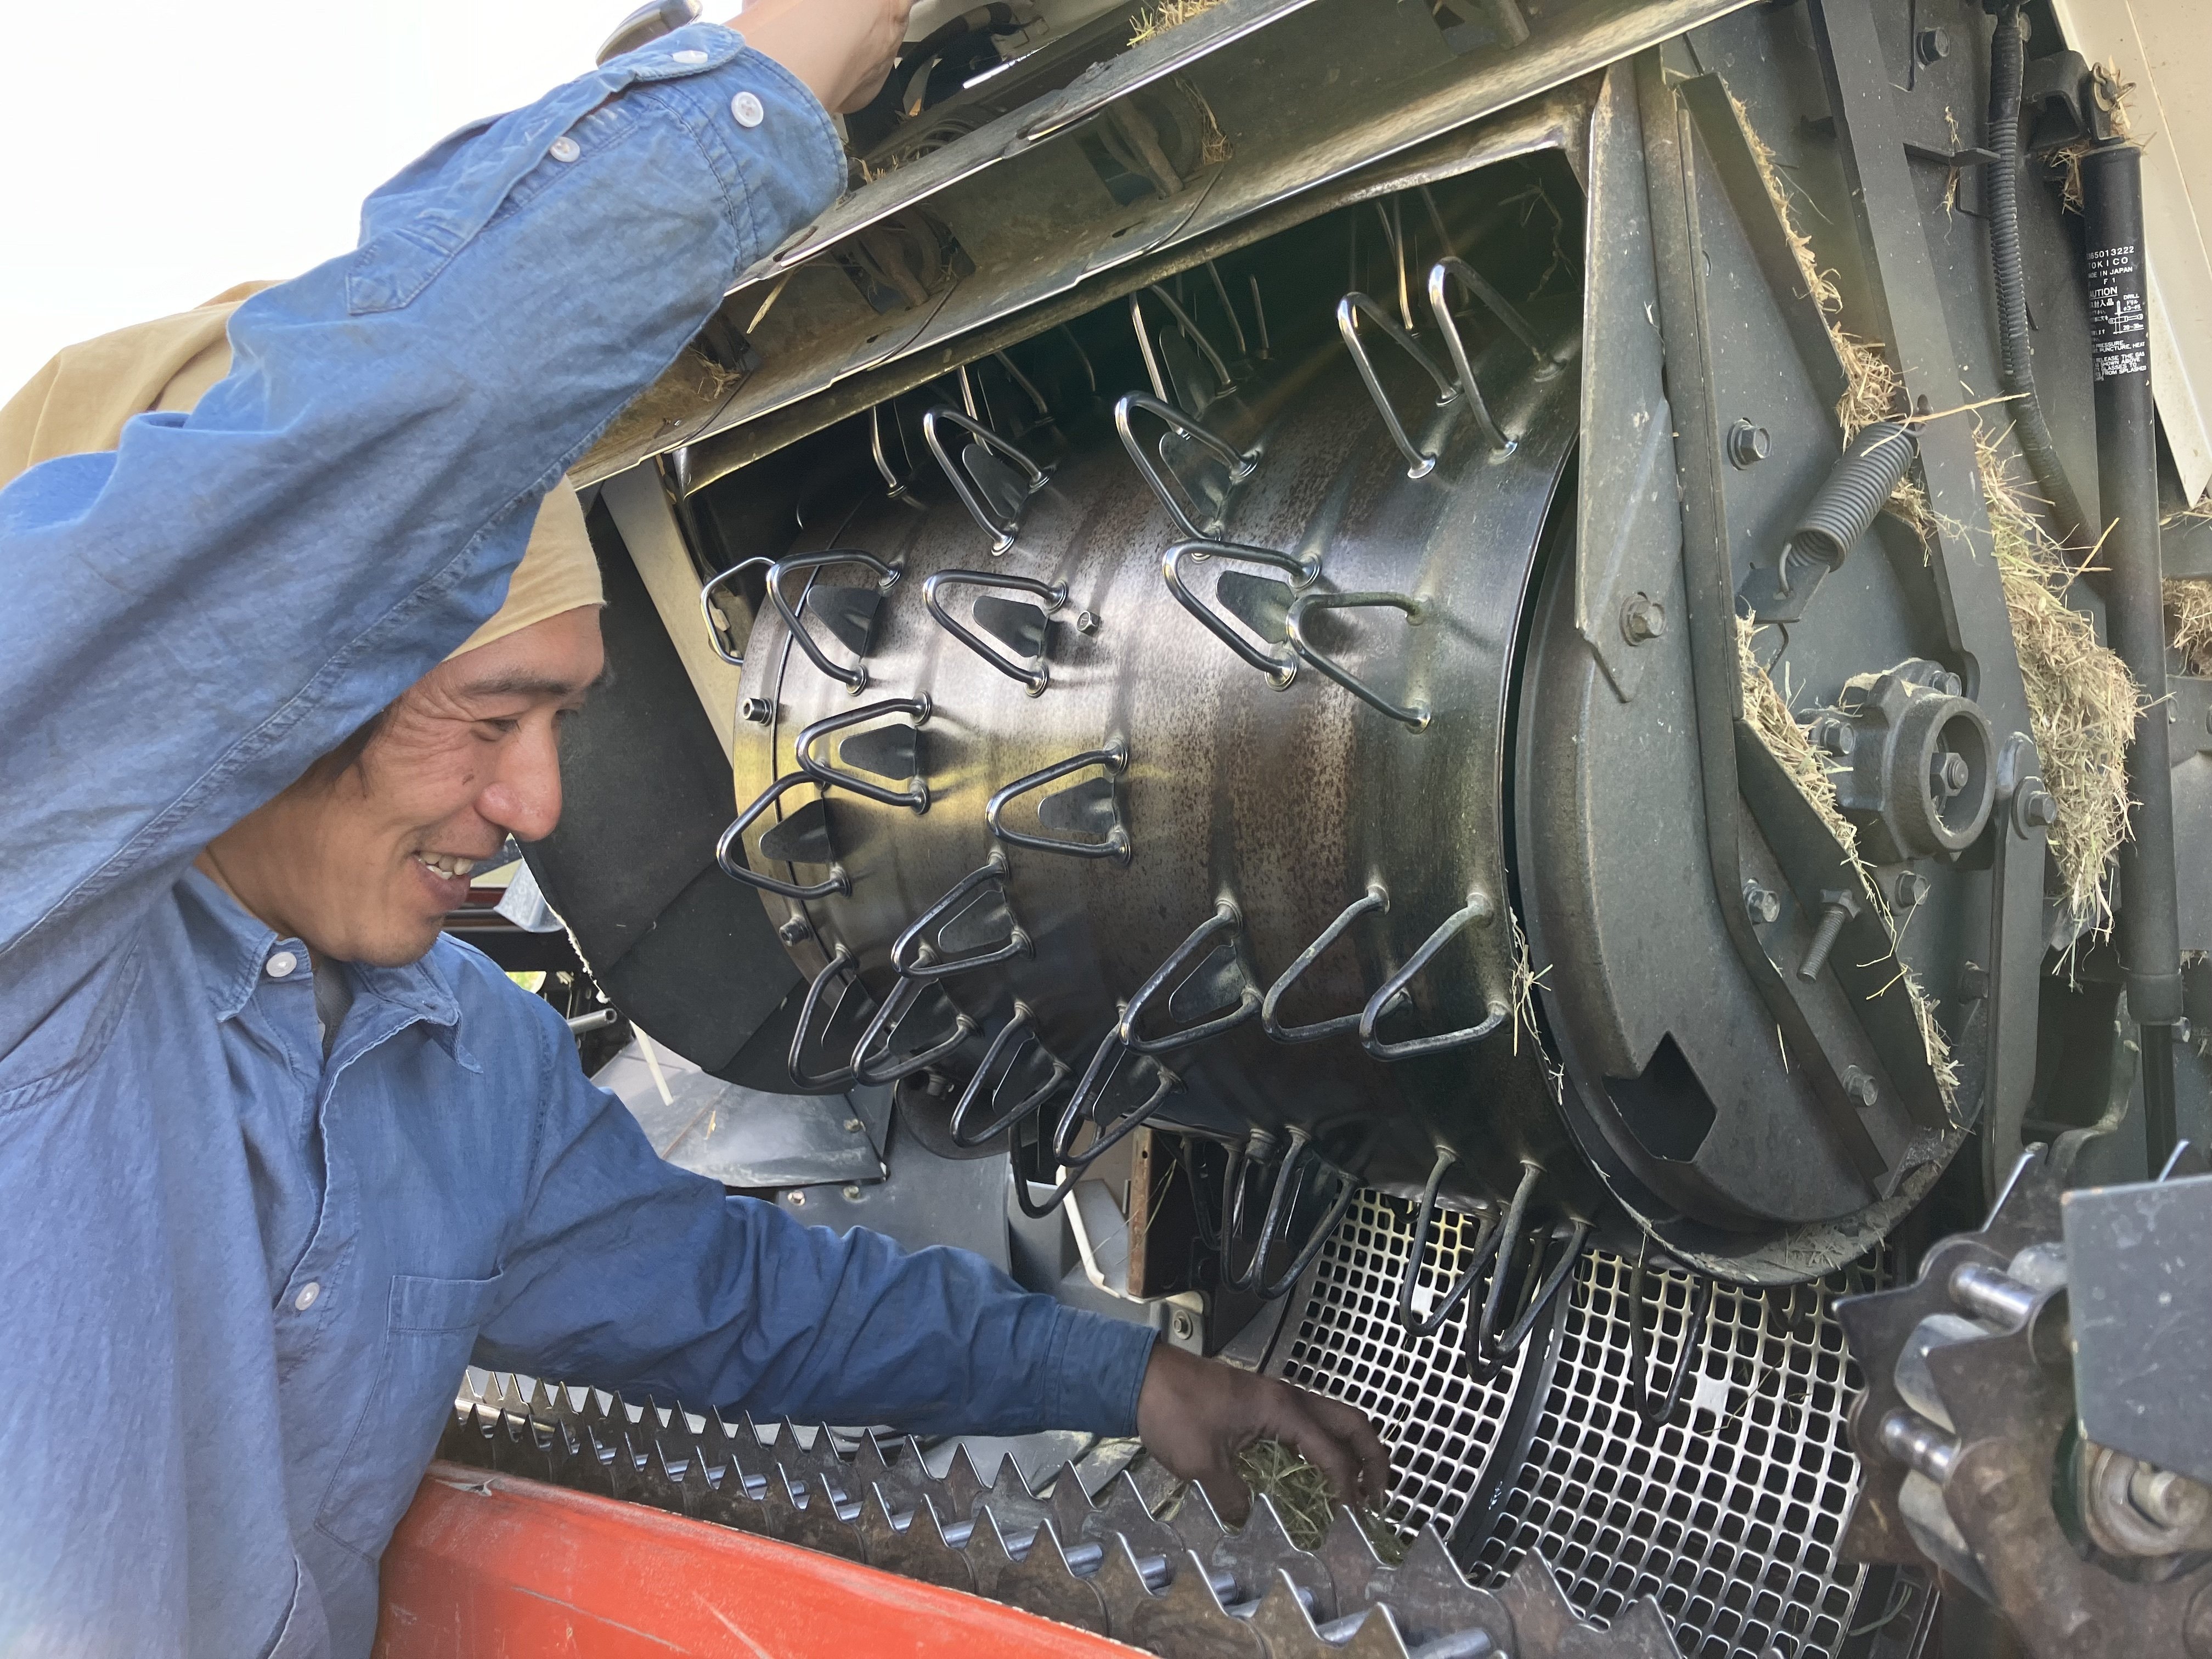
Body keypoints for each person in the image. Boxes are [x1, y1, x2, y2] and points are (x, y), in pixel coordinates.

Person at [0, 4, 1390, 1656]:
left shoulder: (466, 1073)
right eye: (485, 719)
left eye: (560, 724)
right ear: (268, 686)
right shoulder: (41, 930)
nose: (533, 808)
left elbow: (740, 1301)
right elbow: (355, 449)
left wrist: (1131, 1377)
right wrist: (778, 70)